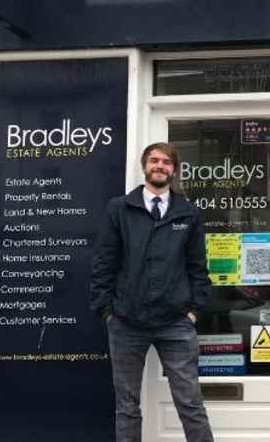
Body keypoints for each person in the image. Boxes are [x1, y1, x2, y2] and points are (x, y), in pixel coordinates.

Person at [90, 142, 214, 442]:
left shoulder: (188, 213)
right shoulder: (120, 208)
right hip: (126, 322)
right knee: (127, 406)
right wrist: (107, 311)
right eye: (154, 160)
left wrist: (194, 310)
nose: (160, 166)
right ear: (145, 166)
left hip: (175, 323)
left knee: (190, 402)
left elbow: (198, 267)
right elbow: (104, 262)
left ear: (174, 169)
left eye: (166, 162)